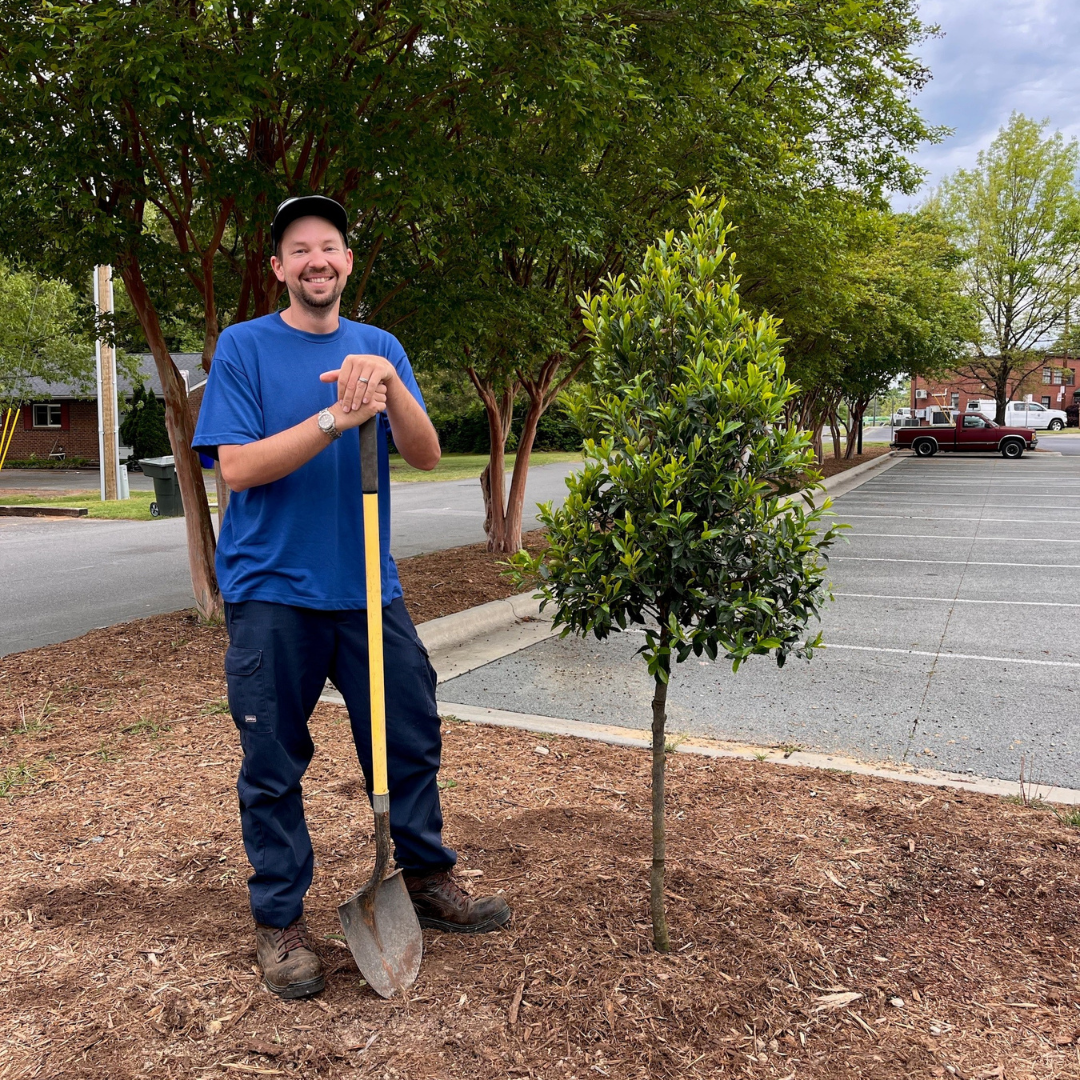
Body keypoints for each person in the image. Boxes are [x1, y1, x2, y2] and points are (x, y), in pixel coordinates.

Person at [192, 195, 510, 1000]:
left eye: (328, 246)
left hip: (369, 586)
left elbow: (428, 453)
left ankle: (427, 878)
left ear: (347, 261)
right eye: (299, 250)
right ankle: (280, 923)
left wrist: (390, 387)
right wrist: (337, 415)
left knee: (408, 735)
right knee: (272, 762)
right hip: (271, 592)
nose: (316, 261)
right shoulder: (244, 347)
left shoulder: (380, 347)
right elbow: (235, 468)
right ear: (279, 269)